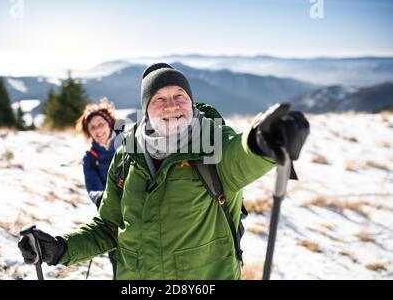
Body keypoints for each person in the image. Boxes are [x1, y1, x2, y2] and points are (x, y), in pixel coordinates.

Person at [18, 63, 310, 280]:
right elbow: (109, 227)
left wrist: (265, 139)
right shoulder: (127, 157)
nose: (171, 106)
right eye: (159, 99)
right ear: (147, 109)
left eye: (180, 96)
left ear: (191, 101)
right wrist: (60, 248)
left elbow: (243, 155)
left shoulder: (214, 144)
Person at [74, 98, 120, 279]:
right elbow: (92, 188)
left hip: (139, 210)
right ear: (88, 132)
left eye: (101, 123)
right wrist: (102, 198)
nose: (98, 130)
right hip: (112, 216)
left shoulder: (128, 145)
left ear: (109, 123)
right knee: (119, 261)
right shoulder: (90, 157)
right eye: (92, 127)